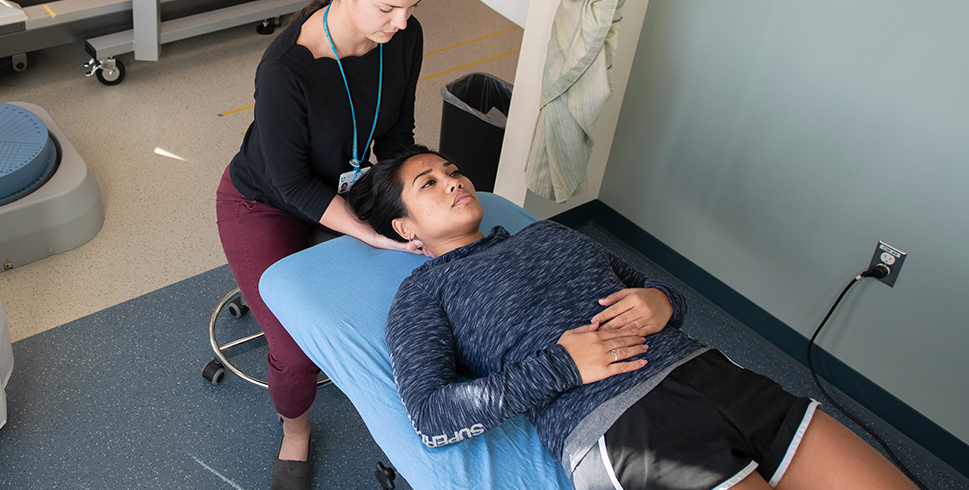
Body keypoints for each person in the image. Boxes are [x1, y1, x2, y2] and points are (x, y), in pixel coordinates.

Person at [347, 145, 916, 490]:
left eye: (453, 171)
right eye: (430, 184)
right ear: (406, 229)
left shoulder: (547, 233)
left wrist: (664, 301)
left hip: (715, 377)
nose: (455, 181)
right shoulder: (424, 295)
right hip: (621, 427)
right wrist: (562, 367)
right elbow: (431, 416)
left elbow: (650, 292)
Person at [215, 0, 433, 490]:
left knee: (411, 285)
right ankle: (295, 432)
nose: (402, 21)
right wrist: (368, 231)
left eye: (410, 5)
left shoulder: (403, 36)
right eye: (386, 8)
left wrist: (409, 206)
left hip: (350, 184)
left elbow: (396, 138)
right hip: (265, 200)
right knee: (293, 349)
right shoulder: (286, 68)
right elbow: (291, 185)